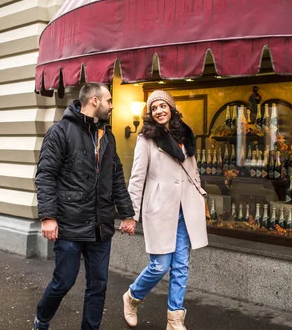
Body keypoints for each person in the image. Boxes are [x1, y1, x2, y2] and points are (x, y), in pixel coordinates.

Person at [34, 83, 136, 330]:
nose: (112, 105)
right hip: (70, 224)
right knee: (64, 281)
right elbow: (45, 175)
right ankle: (42, 319)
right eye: (109, 100)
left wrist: (127, 214)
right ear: (94, 101)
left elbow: (115, 178)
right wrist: (48, 216)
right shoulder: (60, 132)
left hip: (101, 226)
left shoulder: (107, 136)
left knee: (98, 285)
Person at [123, 90, 208, 330]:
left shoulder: (185, 135)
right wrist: (131, 214)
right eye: (154, 108)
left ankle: (174, 320)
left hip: (185, 209)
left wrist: (199, 194)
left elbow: (193, 171)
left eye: (163, 106)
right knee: (160, 265)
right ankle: (131, 297)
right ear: (150, 113)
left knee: (181, 266)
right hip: (160, 208)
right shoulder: (146, 138)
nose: (159, 111)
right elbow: (137, 178)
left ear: (171, 107)